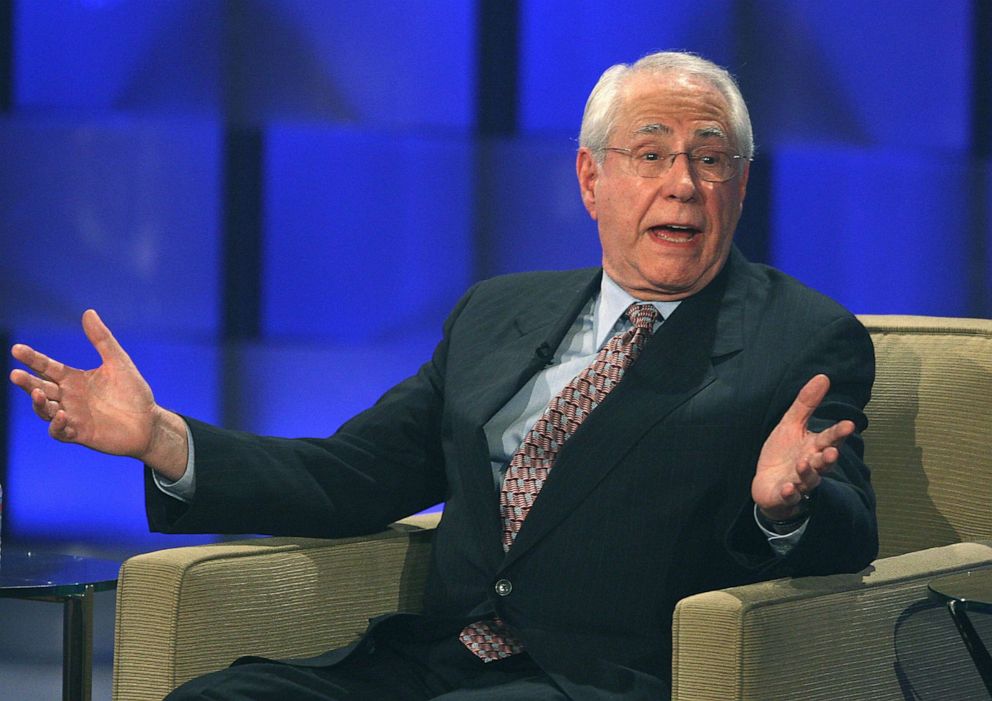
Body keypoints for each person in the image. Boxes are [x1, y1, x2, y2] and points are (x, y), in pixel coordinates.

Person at [8, 51, 877, 700]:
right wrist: (165, 440)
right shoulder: (498, 314)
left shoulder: (800, 337)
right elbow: (351, 476)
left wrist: (784, 510)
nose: (683, 183)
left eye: (711, 157)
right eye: (651, 154)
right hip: (435, 661)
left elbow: (853, 532)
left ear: (742, 184)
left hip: (600, 680)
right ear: (591, 178)